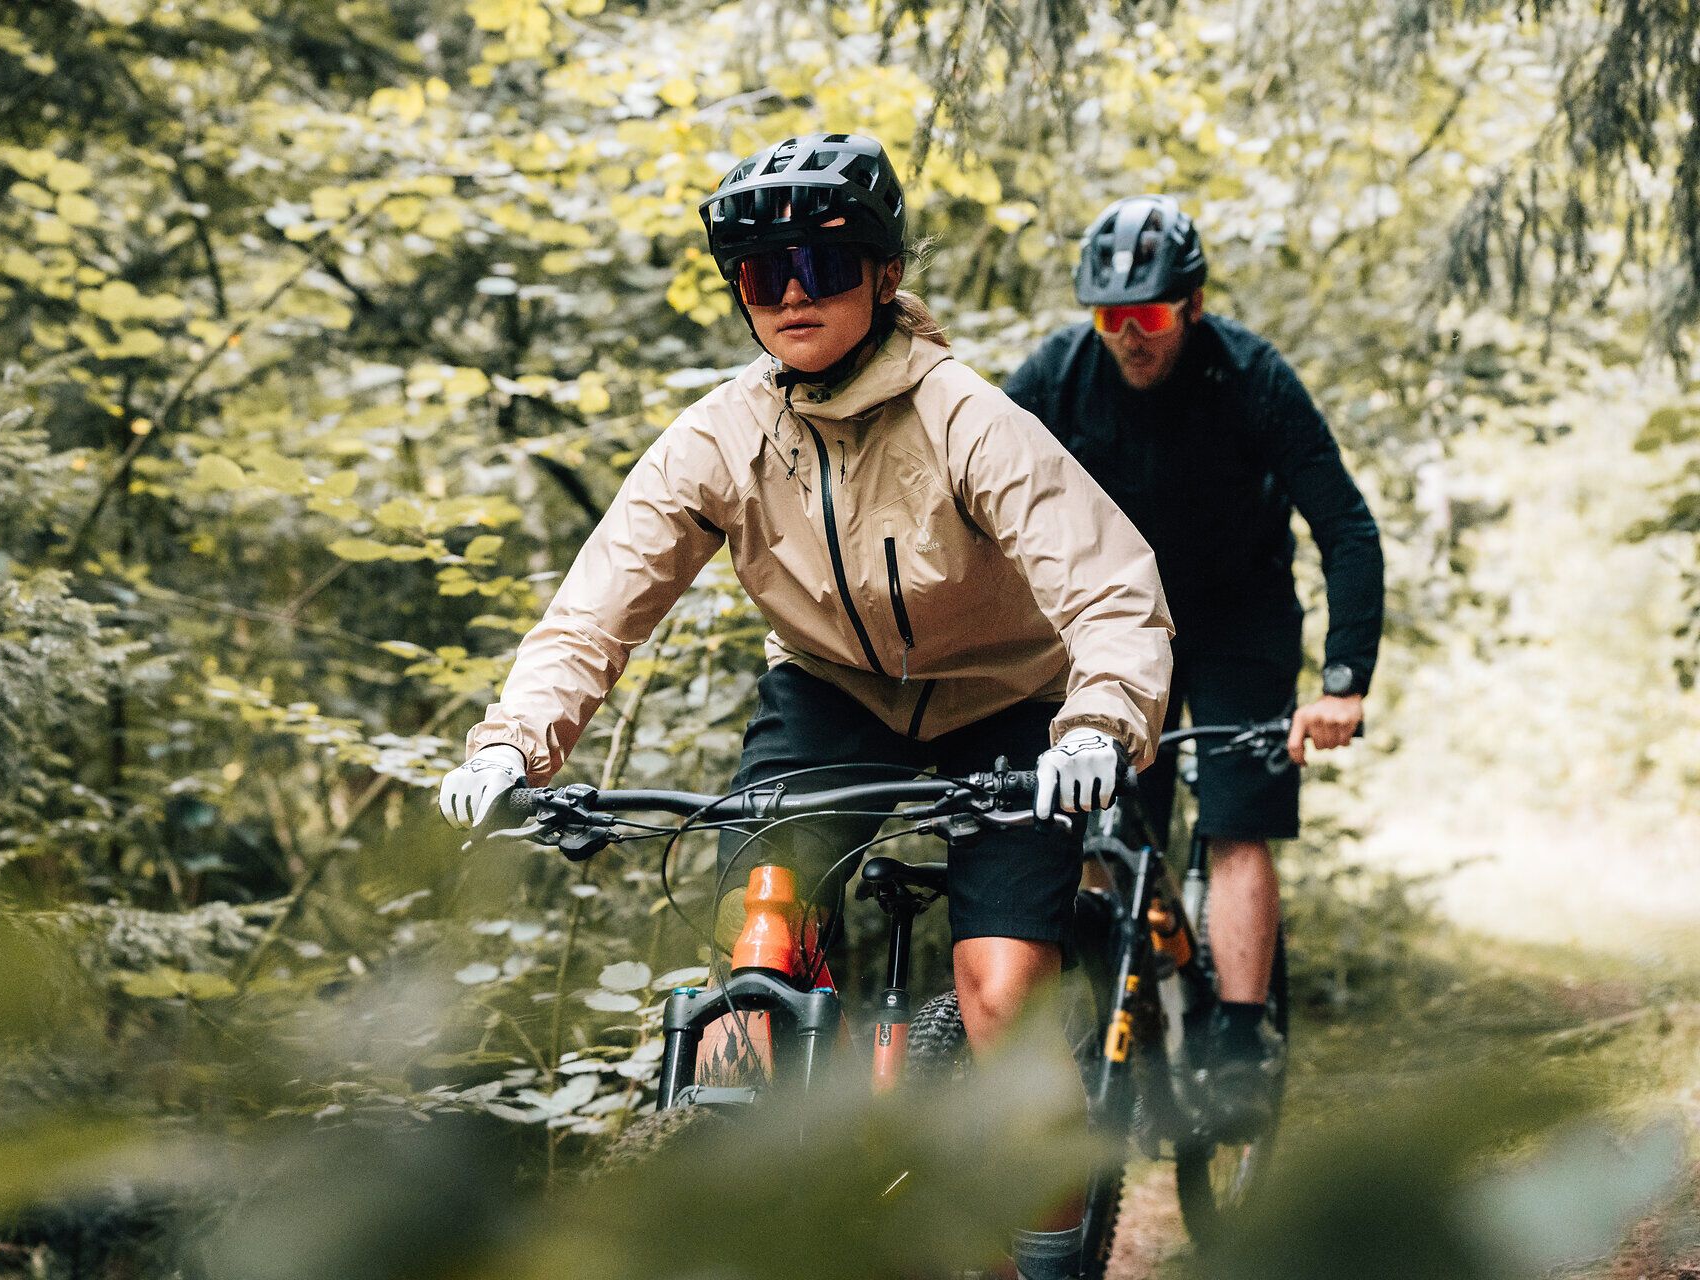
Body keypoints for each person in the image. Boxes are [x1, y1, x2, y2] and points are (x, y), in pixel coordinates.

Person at [438, 133, 1174, 1278]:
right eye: (760, 271)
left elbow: (1111, 584)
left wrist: (1096, 721)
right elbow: (597, 606)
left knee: (1001, 993)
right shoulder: (724, 434)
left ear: (882, 276)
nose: (790, 293)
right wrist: (512, 742)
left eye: (823, 266)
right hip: (829, 695)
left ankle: (1044, 1264)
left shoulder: (964, 416)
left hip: (1006, 705)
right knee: (755, 967)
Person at [1003, 194, 1385, 1138]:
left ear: (1194, 305)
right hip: (1114, 629)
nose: (1130, 337)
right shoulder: (1055, 376)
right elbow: (976, 510)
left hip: (1239, 622)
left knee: (1234, 822)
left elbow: (1344, 526)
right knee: (1096, 823)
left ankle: (1244, 1039)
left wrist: (1343, 683)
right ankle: (1111, 1029)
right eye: (1110, 317)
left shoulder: (1252, 377)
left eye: (1151, 315)